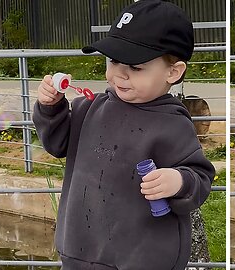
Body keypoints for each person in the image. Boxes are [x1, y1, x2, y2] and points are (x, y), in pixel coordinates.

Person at [33, 1, 215, 269]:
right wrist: (51, 108)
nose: (119, 73)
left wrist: (178, 181)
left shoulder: (173, 124)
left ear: (173, 72)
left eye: (136, 67)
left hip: (141, 260)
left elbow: (199, 176)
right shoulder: (88, 108)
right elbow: (56, 142)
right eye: (114, 60)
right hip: (80, 254)